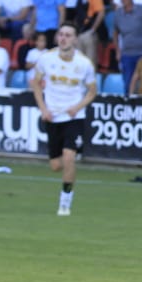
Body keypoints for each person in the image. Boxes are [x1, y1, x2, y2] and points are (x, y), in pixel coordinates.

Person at [30, 23, 98, 217]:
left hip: (73, 117)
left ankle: (65, 203)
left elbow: (92, 91)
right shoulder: (45, 59)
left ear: (75, 39)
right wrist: (43, 108)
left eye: (68, 35)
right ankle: (63, 184)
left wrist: (77, 107)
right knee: (55, 165)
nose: (63, 38)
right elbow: (35, 84)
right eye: (61, 34)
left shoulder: (84, 63)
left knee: (69, 157)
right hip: (52, 116)